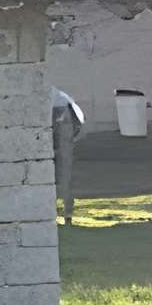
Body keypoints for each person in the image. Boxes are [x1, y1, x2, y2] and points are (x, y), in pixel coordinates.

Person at [52, 85, 85, 222]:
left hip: (63, 116)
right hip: (67, 116)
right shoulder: (58, 95)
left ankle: (66, 213)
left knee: (63, 170)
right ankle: (67, 213)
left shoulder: (53, 95)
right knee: (65, 170)